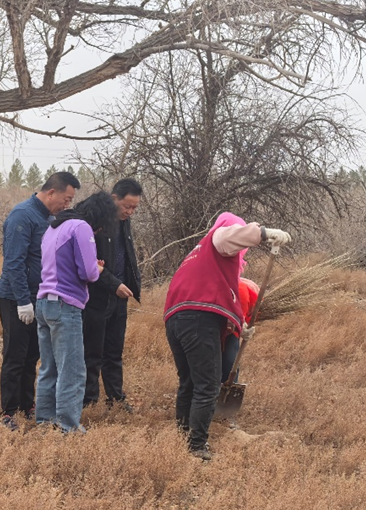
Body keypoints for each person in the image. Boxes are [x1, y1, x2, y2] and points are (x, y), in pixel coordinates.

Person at [164, 213, 291, 460]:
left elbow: (220, 295)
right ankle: (197, 447)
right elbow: (228, 237)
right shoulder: (218, 238)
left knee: (189, 381)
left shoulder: (197, 256)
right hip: (199, 320)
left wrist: (239, 325)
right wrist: (263, 233)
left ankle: (182, 435)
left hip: (175, 319)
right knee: (208, 385)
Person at [0, 171, 81, 431]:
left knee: (34, 354)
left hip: (41, 297)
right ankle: (8, 411)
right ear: (51, 192)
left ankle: (26, 404)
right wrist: (23, 301)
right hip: (15, 297)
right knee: (15, 355)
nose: (67, 205)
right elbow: (14, 263)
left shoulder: (51, 218)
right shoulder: (22, 215)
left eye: (70, 201)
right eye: (65, 199)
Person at [35, 192, 119, 433]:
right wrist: (98, 268)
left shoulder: (54, 226)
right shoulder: (81, 227)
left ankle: (44, 421)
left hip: (43, 301)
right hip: (65, 305)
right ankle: (68, 427)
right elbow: (88, 273)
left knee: (49, 367)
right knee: (72, 370)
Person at [82, 178, 143, 411]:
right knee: (92, 351)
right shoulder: (95, 219)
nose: (130, 211)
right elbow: (88, 263)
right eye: (127, 206)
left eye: (134, 207)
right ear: (114, 198)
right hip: (95, 296)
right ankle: (89, 401)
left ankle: (116, 398)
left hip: (119, 296)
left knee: (114, 351)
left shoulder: (124, 222)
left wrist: (131, 283)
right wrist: (112, 283)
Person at [220, 276, 260, 383]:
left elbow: (241, 315)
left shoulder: (242, 289)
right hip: (208, 324)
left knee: (230, 362)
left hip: (232, 328)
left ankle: (229, 386)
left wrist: (242, 324)